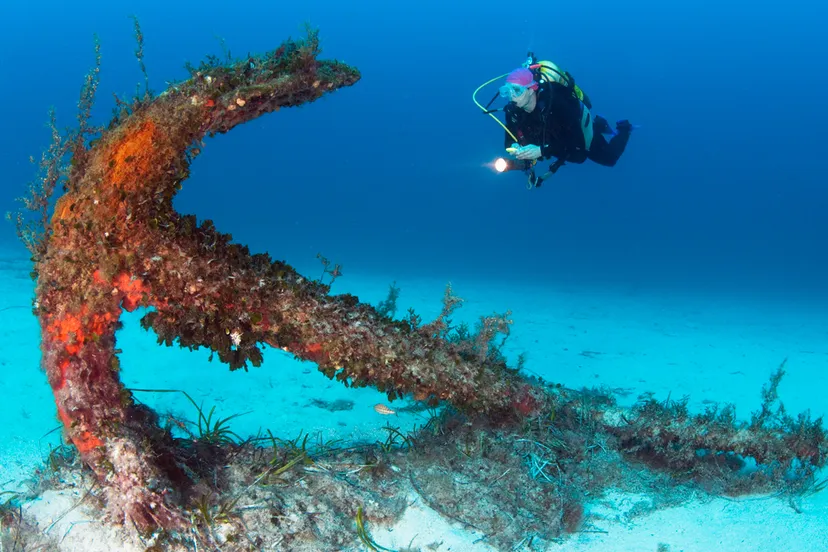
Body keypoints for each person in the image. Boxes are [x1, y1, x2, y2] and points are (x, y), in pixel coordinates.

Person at [500, 61, 634, 181]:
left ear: (531, 89)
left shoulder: (557, 103)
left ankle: (624, 128)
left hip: (578, 133)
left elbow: (575, 143)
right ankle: (599, 124)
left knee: (610, 158)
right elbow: (509, 139)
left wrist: (542, 151)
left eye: (516, 91)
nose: (511, 96)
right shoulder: (513, 112)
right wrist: (515, 148)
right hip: (550, 143)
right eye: (507, 91)